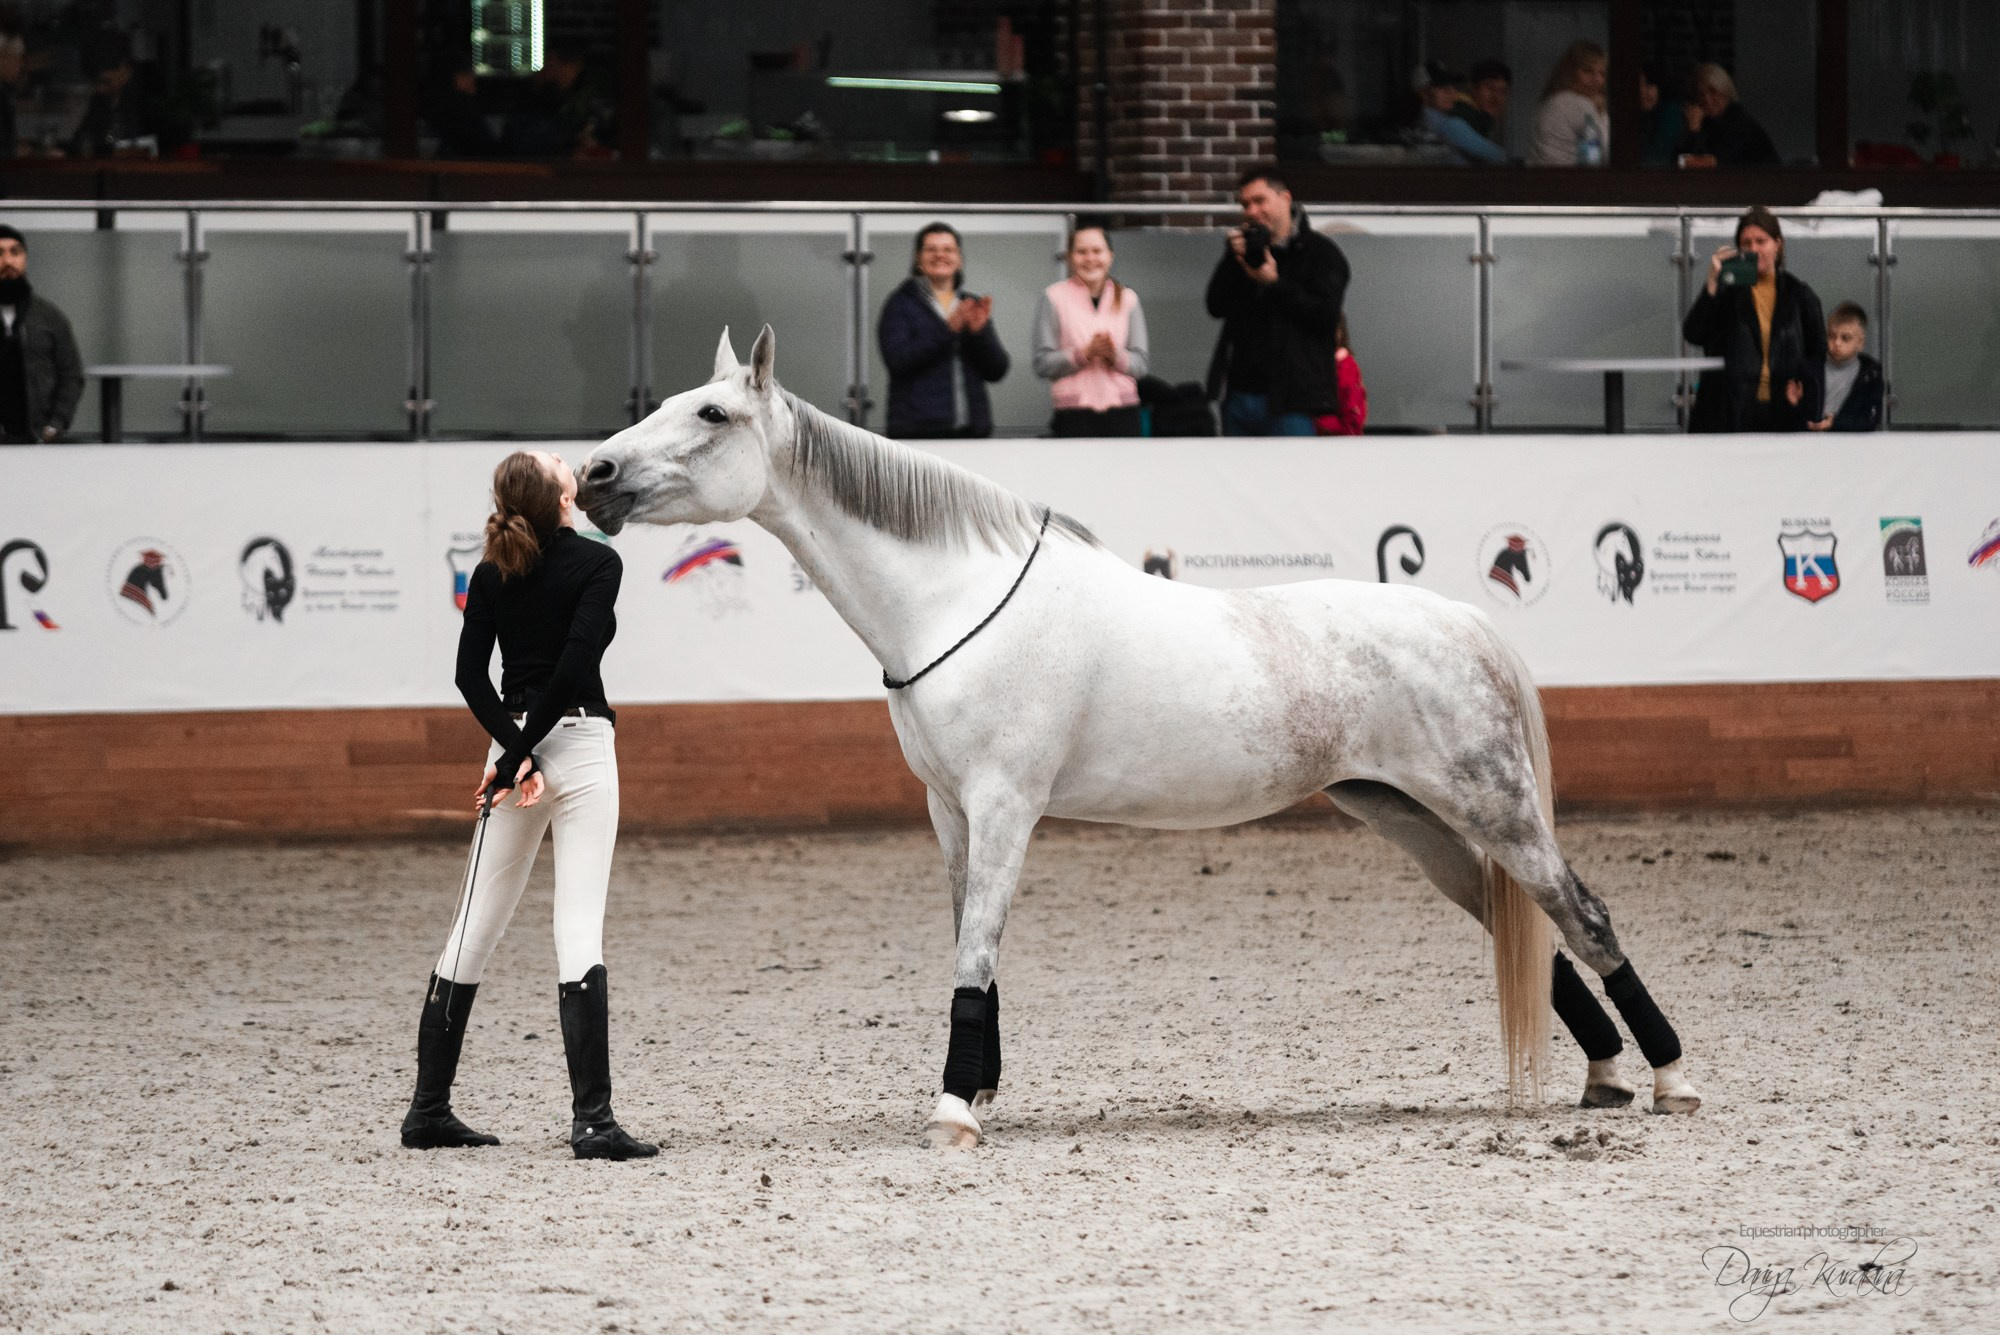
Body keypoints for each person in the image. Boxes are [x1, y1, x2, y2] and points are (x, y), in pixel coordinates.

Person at [401, 450, 656, 1162]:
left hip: (512, 746)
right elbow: (577, 662)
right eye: (557, 464)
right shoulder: (600, 565)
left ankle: (427, 1109)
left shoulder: (491, 570)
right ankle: (593, 1121)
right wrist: (528, 755)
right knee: (578, 926)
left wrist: (512, 754)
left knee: (472, 927)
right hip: (577, 746)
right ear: (562, 495)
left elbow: (466, 674)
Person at [1204, 166, 1350, 436]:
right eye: (1245, 204)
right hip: (1239, 394)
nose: (1251, 212)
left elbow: (1326, 318)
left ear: (1285, 199)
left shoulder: (1320, 253)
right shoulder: (1244, 254)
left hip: (1294, 400)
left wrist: (1274, 283)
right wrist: (1231, 259)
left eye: (1260, 201)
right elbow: (1215, 305)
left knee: (1292, 476)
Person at [1682, 206, 1825, 433]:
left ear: (1778, 244)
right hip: (1728, 411)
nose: (1753, 249)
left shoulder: (1799, 294)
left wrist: (1806, 397)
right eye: (1746, 243)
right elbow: (1693, 333)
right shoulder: (1727, 292)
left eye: (1761, 241)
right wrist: (1712, 283)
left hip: (1783, 410)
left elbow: (1817, 354)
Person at [878, 222, 1010, 439]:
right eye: (931, 249)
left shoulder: (970, 304)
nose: (940, 255)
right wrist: (947, 330)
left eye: (948, 249)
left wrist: (980, 334)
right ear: (918, 259)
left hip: (972, 432)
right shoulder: (900, 304)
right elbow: (898, 361)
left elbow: (997, 371)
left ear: (959, 259)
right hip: (917, 432)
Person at [1032, 221, 1150, 437]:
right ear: (1069, 257)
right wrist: (1082, 355)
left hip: (1123, 412)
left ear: (1110, 256)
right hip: (1074, 413)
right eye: (1081, 252)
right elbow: (1042, 363)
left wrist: (1115, 356)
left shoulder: (1128, 298)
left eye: (1097, 251)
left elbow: (1141, 364)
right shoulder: (1053, 297)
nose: (1090, 258)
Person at [0, 225, 84, 444]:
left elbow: (71, 373)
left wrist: (56, 424)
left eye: (15, 252)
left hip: (37, 440)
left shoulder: (48, 316)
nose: (8, 262)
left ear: (25, 259)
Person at [1677, 64, 1779, 166]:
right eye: (1700, 93)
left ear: (1725, 90)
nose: (1707, 99)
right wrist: (1693, 130)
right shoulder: (1708, 123)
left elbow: (1714, 162)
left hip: (1767, 179)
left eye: (1713, 91)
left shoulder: (1739, 122)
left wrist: (1695, 131)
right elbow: (1680, 160)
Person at [1529, 40, 1609, 166]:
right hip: (1564, 181)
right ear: (1571, 72)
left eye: (1602, 74)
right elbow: (1609, 152)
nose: (1597, 80)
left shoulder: (1551, 100)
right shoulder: (1578, 104)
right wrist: (1600, 112)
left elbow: (1592, 153)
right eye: (1588, 71)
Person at [1811, 302, 1884, 432]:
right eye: (1831, 336)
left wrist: (1836, 423)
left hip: (1851, 446)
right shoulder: (1810, 368)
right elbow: (1793, 418)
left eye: (1846, 338)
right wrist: (1793, 403)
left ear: (1860, 343)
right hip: (1810, 444)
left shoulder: (1871, 375)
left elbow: (1870, 419)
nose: (1837, 343)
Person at [1415, 62, 1504, 165]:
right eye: (1443, 88)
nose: (1452, 93)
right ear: (1424, 93)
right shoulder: (1449, 125)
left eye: (1453, 86)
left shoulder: (1419, 122)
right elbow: (1498, 156)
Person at [1313, 316, 1367, 436]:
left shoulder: (1345, 366)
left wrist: (1345, 444)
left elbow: (1352, 412)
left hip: (1336, 444)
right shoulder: (1303, 365)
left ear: (1340, 332)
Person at [1451, 58, 1512, 145]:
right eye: (1490, 88)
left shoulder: (1486, 121)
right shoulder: (1462, 116)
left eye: (1502, 91)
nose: (1496, 97)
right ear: (1473, 88)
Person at [1638, 64, 1686, 165]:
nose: (1642, 92)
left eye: (1648, 85)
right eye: (1638, 86)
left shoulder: (1670, 113)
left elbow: (1656, 158)